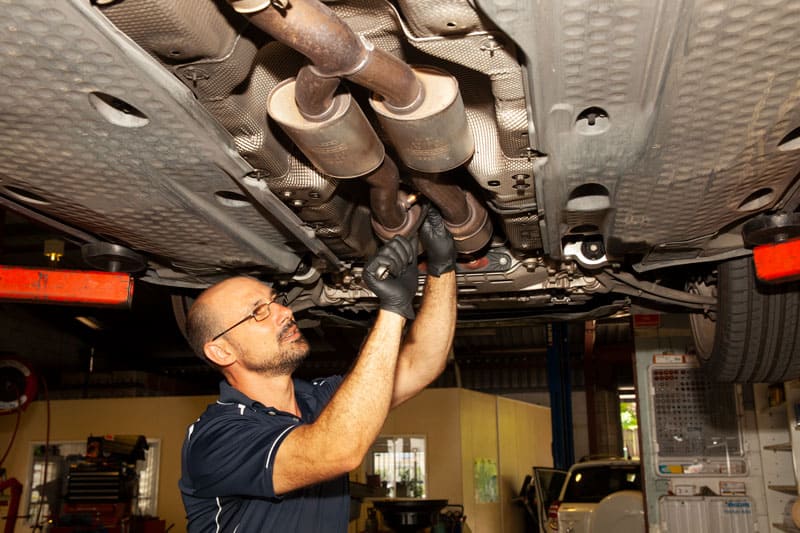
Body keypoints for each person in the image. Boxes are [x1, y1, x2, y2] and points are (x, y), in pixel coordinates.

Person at [179, 208, 457, 532]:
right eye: (258, 312)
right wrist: (393, 310)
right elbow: (335, 451)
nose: (284, 311)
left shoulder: (319, 400)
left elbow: (419, 362)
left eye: (276, 300)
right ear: (221, 351)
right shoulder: (215, 438)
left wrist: (441, 267)